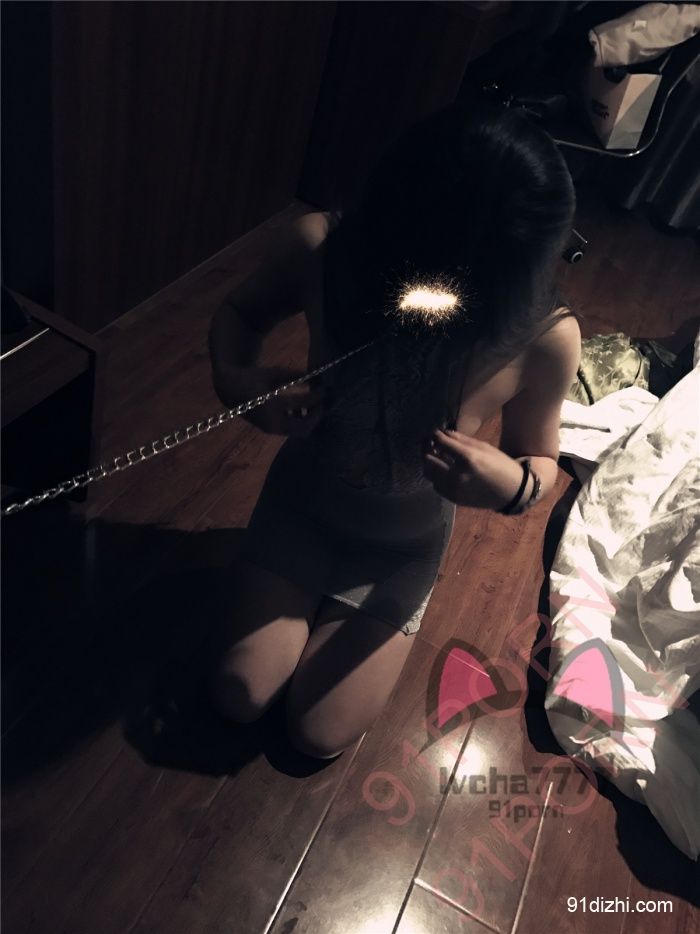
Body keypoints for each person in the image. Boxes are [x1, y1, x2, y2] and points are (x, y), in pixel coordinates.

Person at [206, 100, 582, 760]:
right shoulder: (322, 247)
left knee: (317, 733)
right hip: (302, 505)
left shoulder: (544, 336)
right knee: (240, 695)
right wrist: (242, 387)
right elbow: (240, 314)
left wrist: (514, 485)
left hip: (402, 546)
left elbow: (540, 458)